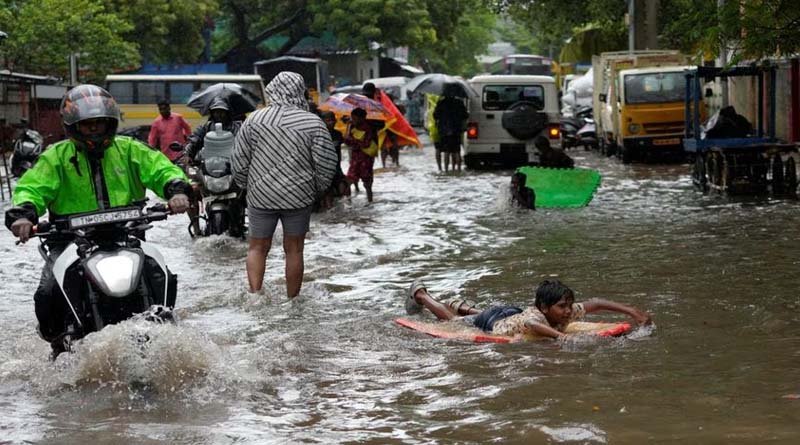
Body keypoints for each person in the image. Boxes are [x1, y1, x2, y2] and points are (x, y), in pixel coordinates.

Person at [4, 84, 191, 352]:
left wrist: (176, 190)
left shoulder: (130, 150)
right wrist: (23, 215)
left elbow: (160, 169)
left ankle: (164, 327)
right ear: (72, 126)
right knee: (47, 293)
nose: (94, 130)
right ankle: (59, 346)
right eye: (87, 125)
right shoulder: (55, 157)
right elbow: (32, 187)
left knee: (161, 273)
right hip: (69, 240)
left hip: (126, 235)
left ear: (110, 123)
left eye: (99, 124)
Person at [231, 71, 338, 298]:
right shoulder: (312, 123)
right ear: (300, 91)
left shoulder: (254, 120)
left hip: (261, 196)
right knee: (294, 249)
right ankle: (292, 299)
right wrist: (316, 190)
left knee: (257, 247)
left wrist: (247, 186)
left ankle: (255, 295)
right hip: (299, 197)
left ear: (272, 90)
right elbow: (327, 162)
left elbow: (239, 160)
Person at [404, 278, 652, 340]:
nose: (567, 312)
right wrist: (561, 337)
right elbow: (534, 325)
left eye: (568, 306)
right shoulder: (536, 315)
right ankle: (421, 294)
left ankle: (464, 306)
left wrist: (633, 312)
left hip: (511, 312)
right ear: (545, 307)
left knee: (476, 313)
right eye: (561, 307)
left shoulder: (563, 310)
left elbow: (597, 302)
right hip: (495, 323)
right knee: (451, 321)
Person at [344, 107, 379, 202]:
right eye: (352, 118)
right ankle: (348, 204)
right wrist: (348, 128)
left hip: (366, 159)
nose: (353, 120)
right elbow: (347, 141)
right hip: (355, 158)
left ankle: (370, 202)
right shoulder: (351, 127)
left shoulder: (368, 128)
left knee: (367, 183)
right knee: (349, 181)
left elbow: (365, 143)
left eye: (355, 118)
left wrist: (351, 140)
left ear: (362, 118)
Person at [362, 82, 400, 168]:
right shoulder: (367, 103)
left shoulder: (380, 101)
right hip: (372, 133)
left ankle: (391, 164)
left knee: (390, 145)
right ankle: (386, 165)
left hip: (380, 129)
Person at [433, 83, 469, 172]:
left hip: (444, 130)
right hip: (456, 129)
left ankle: (445, 170)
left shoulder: (441, 103)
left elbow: (435, 115)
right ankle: (458, 170)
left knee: (446, 151)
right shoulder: (459, 102)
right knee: (456, 151)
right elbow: (465, 115)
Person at [318, 111, 348, 209]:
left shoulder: (338, 134)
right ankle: (329, 211)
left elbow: (347, 141)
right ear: (322, 121)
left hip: (337, 167)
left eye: (332, 120)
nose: (330, 122)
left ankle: (344, 208)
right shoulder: (320, 135)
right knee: (327, 191)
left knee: (344, 187)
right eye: (328, 120)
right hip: (324, 168)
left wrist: (348, 125)